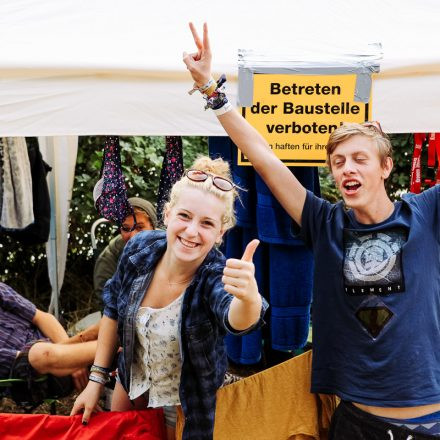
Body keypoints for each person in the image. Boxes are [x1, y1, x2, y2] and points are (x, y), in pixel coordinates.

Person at [183, 24, 440, 440]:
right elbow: (262, 156)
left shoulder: (426, 214)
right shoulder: (325, 224)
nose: (347, 169)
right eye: (338, 162)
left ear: (386, 167)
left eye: (359, 159)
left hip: (430, 421)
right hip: (357, 422)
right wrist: (212, 89)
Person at [71, 156, 268, 440]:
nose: (192, 231)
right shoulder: (139, 248)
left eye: (207, 223)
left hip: (185, 406)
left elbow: (235, 320)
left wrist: (248, 298)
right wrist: (96, 380)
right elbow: (112, 309)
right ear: (167, 214)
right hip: (131, 387)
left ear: (220, 233)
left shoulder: (214, 274)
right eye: (184, 216)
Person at [0, 282, 98, 392]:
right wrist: (70, 359)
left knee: (93, 333)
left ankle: (104, 341)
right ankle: (108, 346)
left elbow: (42, 317)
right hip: (34, 375)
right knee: (37, 354)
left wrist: (71, 354)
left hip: (58, 346)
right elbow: (26, 360)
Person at [93, 197, 157, 300]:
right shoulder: (110, 256)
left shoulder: (169, 246)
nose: (133, 236)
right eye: (126, 228)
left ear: (153, 227)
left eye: (139, 227)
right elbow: (105, 296)